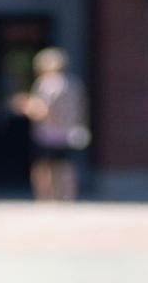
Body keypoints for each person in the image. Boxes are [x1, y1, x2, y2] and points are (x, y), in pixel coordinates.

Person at [11, 47, 90, 202]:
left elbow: (42, 110)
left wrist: (24, 106)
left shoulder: (45, 84)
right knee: (66, 167)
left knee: (43, 167)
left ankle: (46, 199)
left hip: (47, 134)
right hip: (69, 133)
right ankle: (68, 198)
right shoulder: (73, 84)